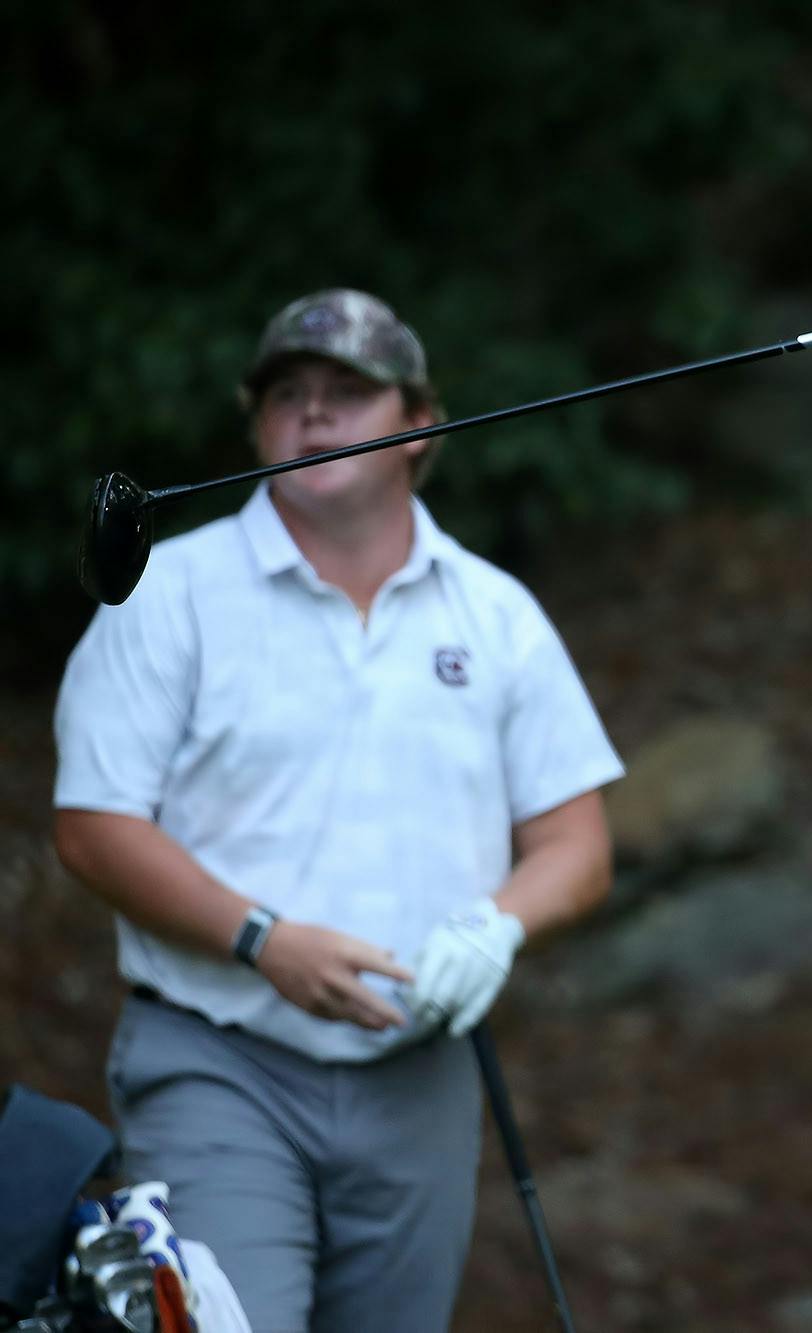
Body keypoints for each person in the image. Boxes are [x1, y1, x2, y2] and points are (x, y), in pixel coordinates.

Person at [51, 289, 624, 1332]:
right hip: (215, 1059)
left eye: (348, 392)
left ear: (419, 423)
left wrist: (498, 923)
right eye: (289, 394)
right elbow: (93, 825)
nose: (313, 413)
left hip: (420, 1075)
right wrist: (261, 938)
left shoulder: (493, 614)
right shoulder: (169, 594)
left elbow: (575, 845)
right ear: (255, 424)